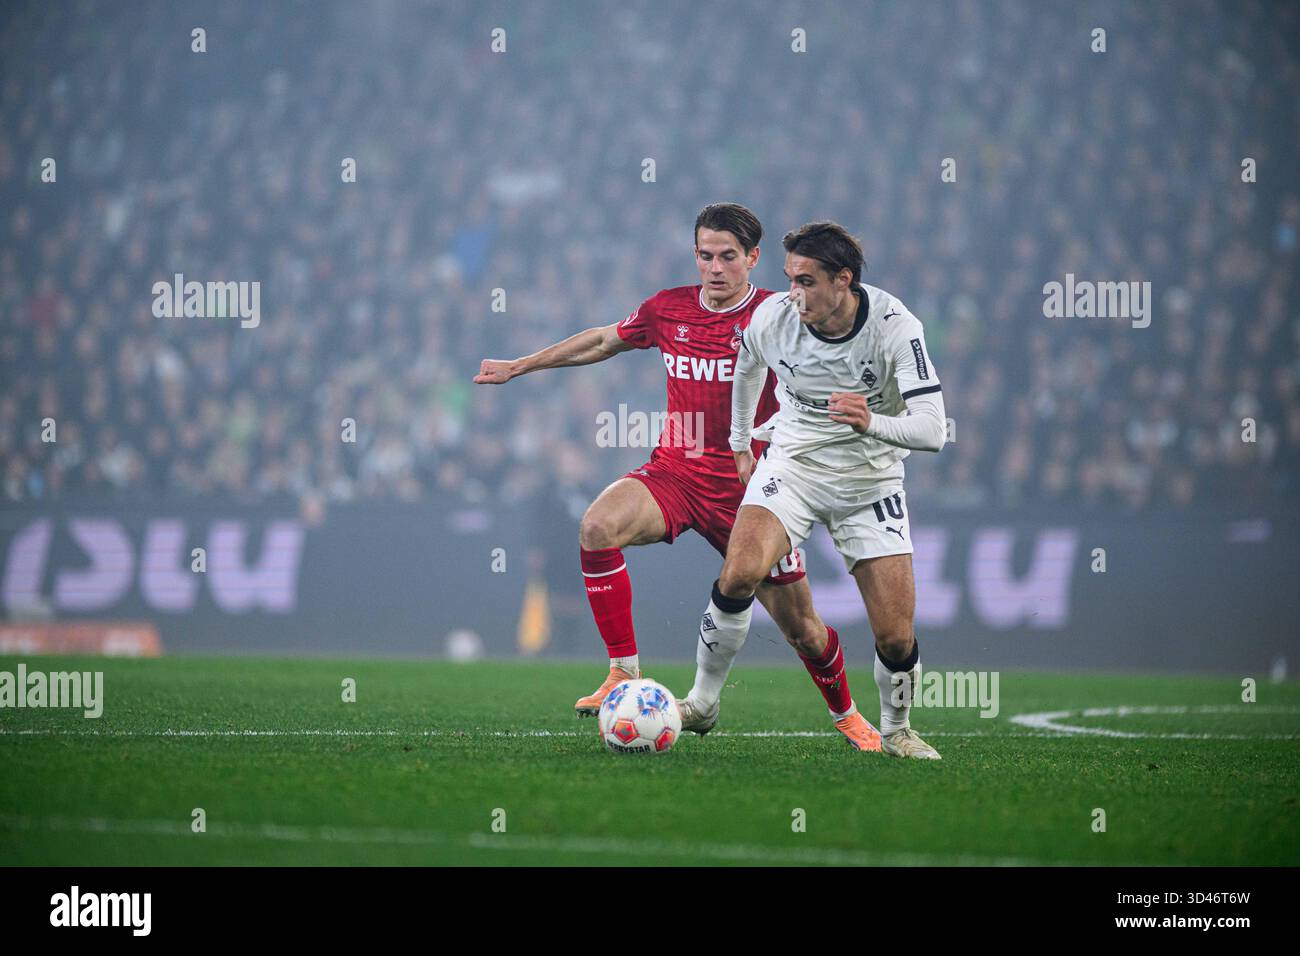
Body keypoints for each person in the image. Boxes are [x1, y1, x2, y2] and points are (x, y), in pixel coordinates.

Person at [474, 204, 883, 750]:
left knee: (803, 629)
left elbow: (839, 346)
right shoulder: (668, 309)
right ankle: (623, 670)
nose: (715, 267)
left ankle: (848, 714)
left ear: (753, 259)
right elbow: (602, 341)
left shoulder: (780, 316)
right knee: (596, 527)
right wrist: (520, 365)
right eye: (705, 255)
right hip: (675, 473)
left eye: (728, 257)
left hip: (753, 489)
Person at [679, 221, 947, 758]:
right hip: (793, 467)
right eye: (789, 279)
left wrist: (871, 421)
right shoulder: (774, 318)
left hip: (870, 482)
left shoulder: (896, 326)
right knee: (739, 573)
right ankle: (702, 703)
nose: (793, 294)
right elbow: (748, 364)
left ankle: (896, 728)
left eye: (805, 281)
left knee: (895, 636)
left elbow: (933, 431)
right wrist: (739, 444)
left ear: (842, 280)